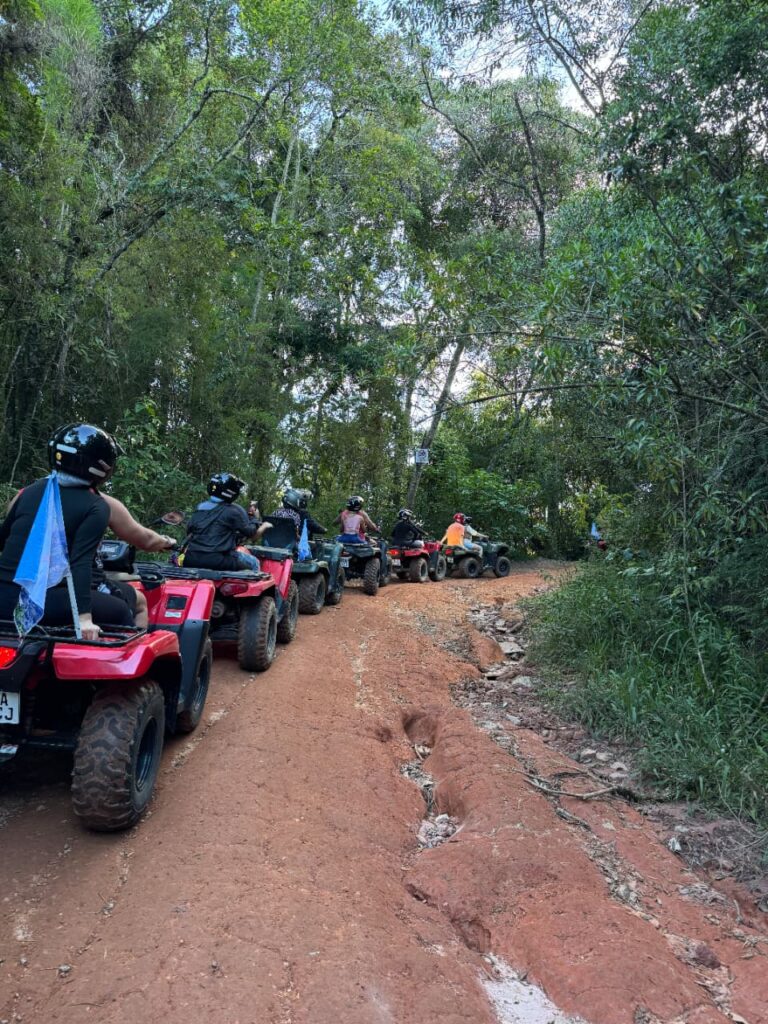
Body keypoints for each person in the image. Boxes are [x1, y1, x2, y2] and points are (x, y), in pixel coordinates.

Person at [0, 424, 165, 640]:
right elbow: (80, 562)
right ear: (102, 466)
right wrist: (84, 618)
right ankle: (131, 671)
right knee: (126, 610)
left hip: (4, 596)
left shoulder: (27, 493)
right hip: (44, 601)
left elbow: (2, 541)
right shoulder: (96, 505)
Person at [93, 497, 178, 628]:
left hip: (52, 589)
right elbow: (147, 540)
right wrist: (167, 541)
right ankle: (136, 643)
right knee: (141, 603)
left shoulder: (50, 490)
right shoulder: (100, 500)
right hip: (85, 588)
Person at [182, 473, 270, 572]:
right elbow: (250, 532)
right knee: (254, 562)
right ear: (232, 491)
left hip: (191, 558)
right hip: (217, 560)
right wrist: (254, 519)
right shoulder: (233, 510)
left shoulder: (200, 507)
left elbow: (189, 530)